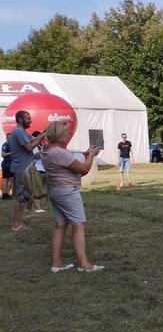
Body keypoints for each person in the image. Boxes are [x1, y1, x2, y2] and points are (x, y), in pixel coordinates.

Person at [41, 121, 104, 273]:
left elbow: (69, 159)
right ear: (59, 135)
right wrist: (91, 156)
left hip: (55, 190)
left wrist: (85, 153)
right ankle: (84, 264)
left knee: (60, 225)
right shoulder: (59, 152)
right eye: (65, 132)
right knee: (79, 225)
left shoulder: (46, 150)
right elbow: (83, 169)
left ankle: (56, 263)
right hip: (68, 191)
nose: (68, 135)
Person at [9, 111, 46, 232]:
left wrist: (45, 133)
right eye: (28, 118)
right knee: (20, 198)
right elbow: (30, 146)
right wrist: (44, 134)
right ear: (20, 119)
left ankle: (19, 223)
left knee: (24, 197)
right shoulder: (18, 132)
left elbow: (35, 140)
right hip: (21, 170)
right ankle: (16, 225)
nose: (31, 120)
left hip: (25, 169)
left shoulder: (22, 132)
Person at [26, 130, 46, 214]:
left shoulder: (40, 145)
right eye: (41, 137)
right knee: (37, 189)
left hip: (42, 168)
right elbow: (35, 155)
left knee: (37, 189)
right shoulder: (34, 146)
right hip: (37, 168)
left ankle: (29, 206)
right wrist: (44, 151)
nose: (42, 138)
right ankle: (37, 207)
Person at [2, 133, 13, 200]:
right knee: (6, 179)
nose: (9, 139)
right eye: (8, 137)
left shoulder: (13, 145)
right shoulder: (5, 145)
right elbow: (3, 154)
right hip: (6, 165)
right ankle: (4, 194)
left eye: (10, 137)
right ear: (6, 138)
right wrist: (11, 153)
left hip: (13, 165)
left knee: (12, 179)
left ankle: (9, 193)